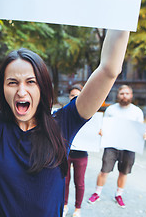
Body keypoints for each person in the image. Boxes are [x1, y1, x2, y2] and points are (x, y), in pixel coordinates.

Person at [0, 14, 130, 217]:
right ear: (2, 89)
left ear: (43, 87)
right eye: (12, 82)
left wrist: (124, 8)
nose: (21, 91)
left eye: (31, 82)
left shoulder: (64, 124)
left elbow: (109, 69)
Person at [88, 85, 146, 208]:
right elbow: (103, 126)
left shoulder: (137, 111)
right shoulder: (111, 110)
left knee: (123, 172)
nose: (124, 96)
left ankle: (118, 195)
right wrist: (101, 131)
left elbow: (141, 129)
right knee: (104, 171)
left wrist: (144, 134)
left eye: (127, 93)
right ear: (118, 95)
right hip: (111, 145)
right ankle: (97, 193)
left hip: (129, 147)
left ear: (131, 95)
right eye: (122, 93)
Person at [63, 84, 88, 217]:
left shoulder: (88, 113)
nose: (75, 98)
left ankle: (78, 208)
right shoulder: (63, 114)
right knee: (64, 180)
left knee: (79, 182)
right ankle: (65, 205)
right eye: (72, 95)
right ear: (69, 97)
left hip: (81, 154)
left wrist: (99, 133)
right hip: (65, 153)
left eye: (78, 95)